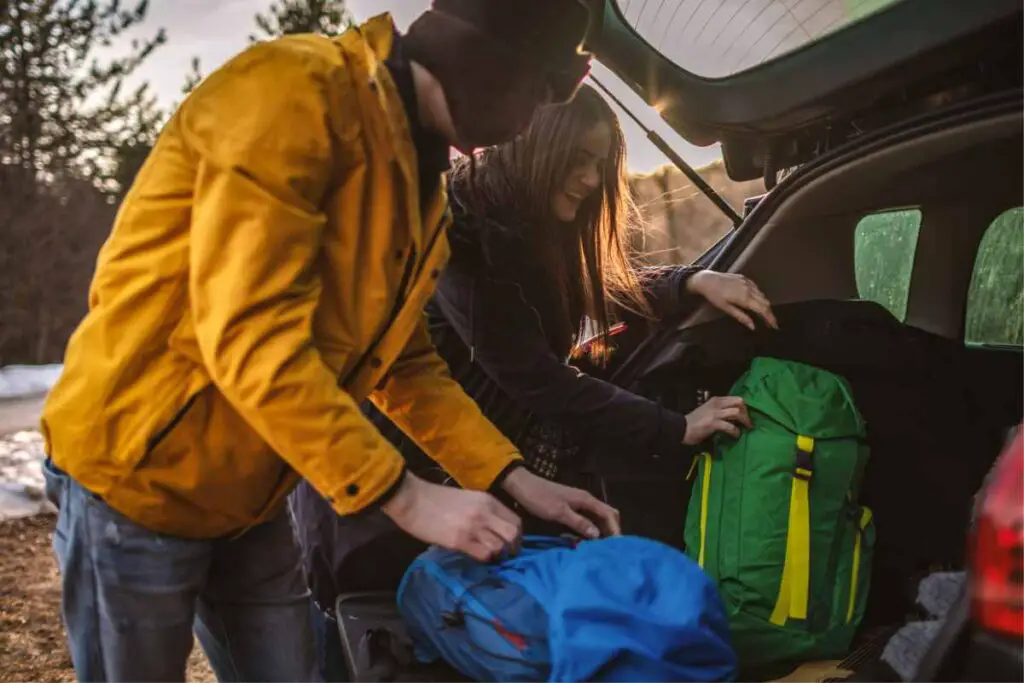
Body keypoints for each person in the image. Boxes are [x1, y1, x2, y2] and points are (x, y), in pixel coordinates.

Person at [38, 2, 621, 680]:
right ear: (492, 69)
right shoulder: (295, 97)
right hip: (139, 472)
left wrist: (510, 475)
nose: (529, 123)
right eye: (540, 94)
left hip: (254, 483)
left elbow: (403, 365)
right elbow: (250, 335)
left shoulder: (419, 187)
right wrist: (406, 496)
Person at [291, 83, 779, 681]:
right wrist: (676, 428)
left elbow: (600, 283)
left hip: (468, 476)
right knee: (365, 652)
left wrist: (690, 281)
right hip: (382, 494)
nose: (591, 178)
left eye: (600, 163)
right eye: (578, 159)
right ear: (534, 151)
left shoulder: (534, 227)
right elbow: (539, 381)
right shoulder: (463, 240)